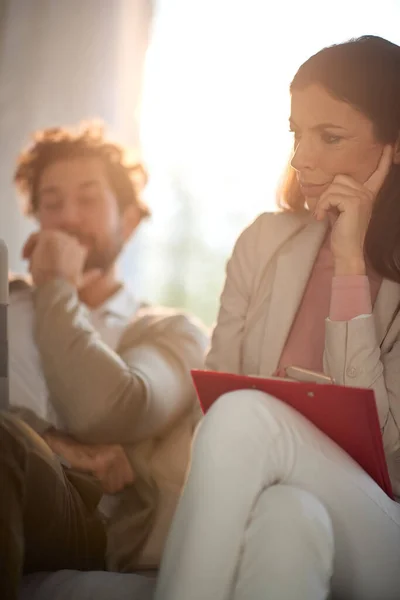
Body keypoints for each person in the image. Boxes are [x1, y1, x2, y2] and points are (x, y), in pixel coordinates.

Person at [154, 35, 400, 600]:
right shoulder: (263, 243)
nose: (301, 158)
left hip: (383, 527)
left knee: (245, 416)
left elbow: (387, 456)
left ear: (394, 146)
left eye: (329, 137)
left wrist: (348, 264)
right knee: (289, 520)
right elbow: (209, 412)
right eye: (297, 133)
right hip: (287, 496)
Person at [1, 122, 208, 600]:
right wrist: (48, 439)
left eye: (88, 198)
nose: (68, 217)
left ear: (130, 220)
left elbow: (114, 409)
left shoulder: (168, 330)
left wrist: (55, 286)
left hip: (83, 521)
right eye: (51, 203)